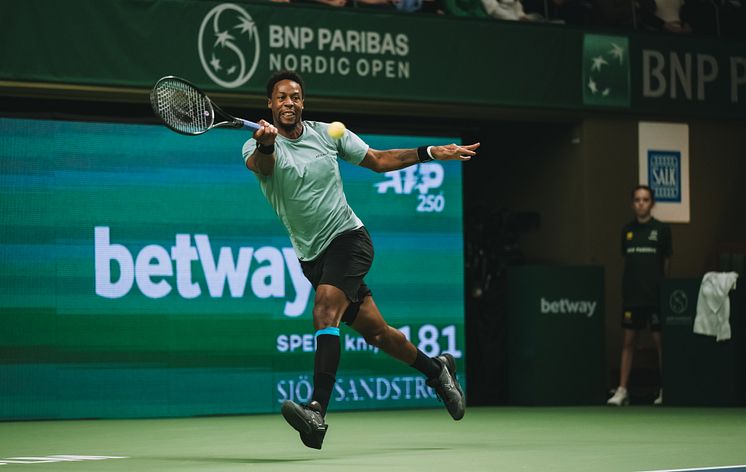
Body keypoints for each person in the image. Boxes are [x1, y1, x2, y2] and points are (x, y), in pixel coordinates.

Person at [242, 70, 478, 449]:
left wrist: (432, 152)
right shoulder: (255, 146)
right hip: (312, 256)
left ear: (303, 102)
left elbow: (379, 160)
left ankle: (317, 410)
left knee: (324, 310)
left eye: (296, 97)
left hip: (349, 239)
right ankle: (438, 370)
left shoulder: (326, 134)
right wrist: (267, 145)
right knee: (379, 334)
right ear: (269, 104)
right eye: (282, 98)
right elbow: (264, 168)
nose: (290, 103)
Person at [607, 185, 672, 406]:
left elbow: (666, 262)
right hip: (632, 297)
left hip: (655, 296)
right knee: (628, 341)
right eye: (637, 200)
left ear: (652, 203)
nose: (641, 203)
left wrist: (662, 289)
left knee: (659, 342)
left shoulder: (662, 230)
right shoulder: (627, 231)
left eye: (645, 199)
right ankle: (622, 390)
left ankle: (666, 389)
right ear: (632, 203)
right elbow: (628, 261)